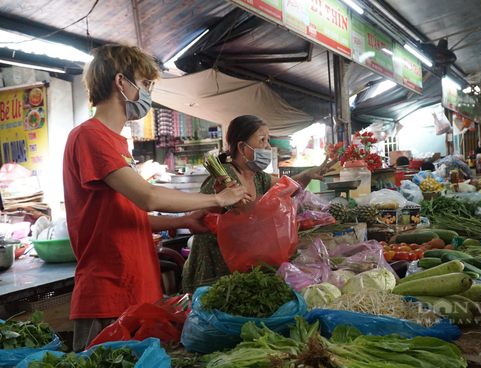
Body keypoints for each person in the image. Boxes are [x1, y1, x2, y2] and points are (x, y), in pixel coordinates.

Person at [63, 45, 253, 352]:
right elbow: (148, 196)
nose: (149, 93)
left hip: (136, 287)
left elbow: (123, 214)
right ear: (121, 82)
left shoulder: (117, 142)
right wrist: (217, 199)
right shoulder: (90, 136)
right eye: (146, 84)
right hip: (108, 294)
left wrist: (183, 220)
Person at [182, 115, 335, 293]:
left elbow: (287, 188)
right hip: (214, 267)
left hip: (244, 267)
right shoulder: (222, 176)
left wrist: (308, 174)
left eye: (268, 141)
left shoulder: (259, 177)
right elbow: (202, 218)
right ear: (241, 147)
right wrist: (220, 197)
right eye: (262, 140)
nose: (268, 147)